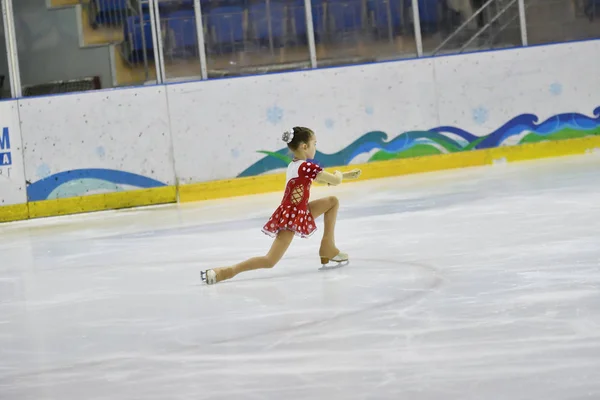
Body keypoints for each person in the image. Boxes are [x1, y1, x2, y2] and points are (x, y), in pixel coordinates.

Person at [201, 127, 362, 285]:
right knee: (270, 260)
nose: (315, 147)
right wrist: (342, 175)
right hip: (292, 217)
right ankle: (225, 272)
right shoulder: (307, 167)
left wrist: (347, 175)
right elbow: (335, 180)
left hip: (299, 211)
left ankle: (328, 247)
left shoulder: (295, 165)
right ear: (304, 146)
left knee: (332, 202)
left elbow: (321, 179)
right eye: (315, 143)